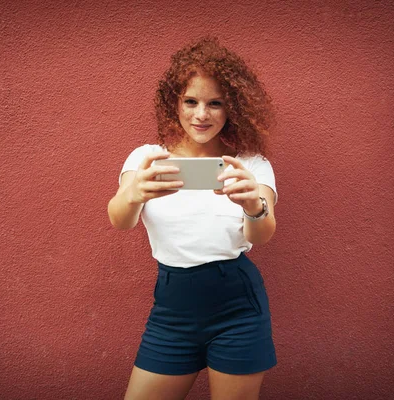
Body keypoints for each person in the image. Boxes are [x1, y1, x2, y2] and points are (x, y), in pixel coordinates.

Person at [108, 37, 278, 400]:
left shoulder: (249, 164)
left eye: (215, 104)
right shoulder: (147, 158)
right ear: (175, 102)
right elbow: (120, 219)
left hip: (237, 308)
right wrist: (135, 192)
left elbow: (263, 233)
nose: (201, 114)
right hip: (172, 310)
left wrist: (253, 205)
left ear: (232, 109)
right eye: (191, 101)